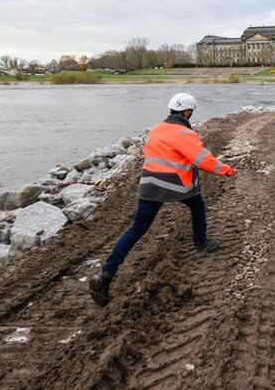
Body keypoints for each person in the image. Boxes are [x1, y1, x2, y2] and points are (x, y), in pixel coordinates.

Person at [90, 93, 235, 306]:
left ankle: (105, 275)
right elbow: (202, 160)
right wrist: (227, 170)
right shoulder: (185, 133)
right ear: (187, 112)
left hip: (149, 186)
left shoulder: (156, 129)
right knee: (197, 206)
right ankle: (201, 244)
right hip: (178, 185)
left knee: (137, 228)